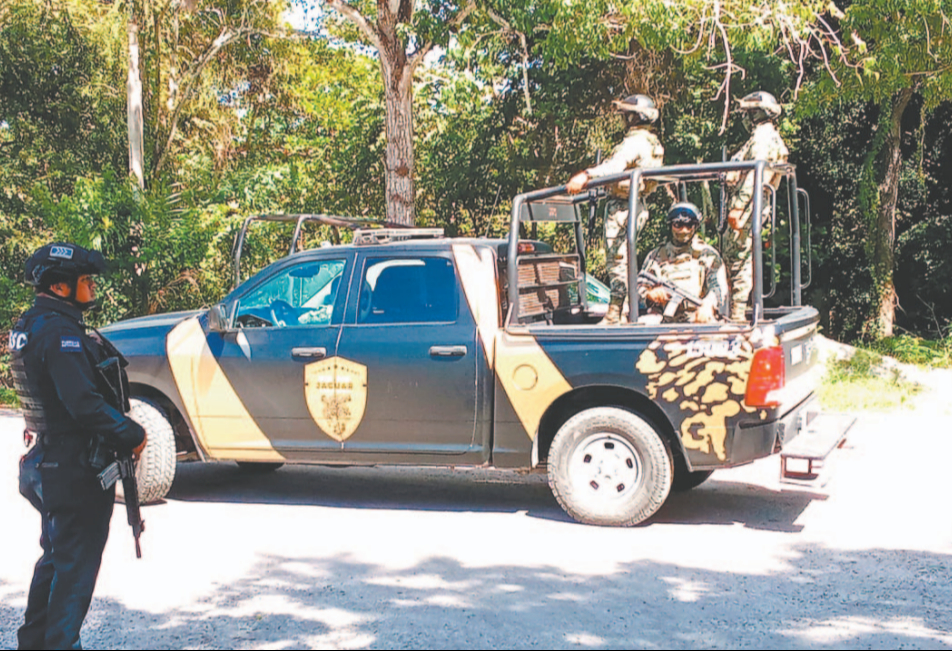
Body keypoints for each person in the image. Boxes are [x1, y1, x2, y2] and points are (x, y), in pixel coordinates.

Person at [10, 242, 146, 650]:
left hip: (48, 462)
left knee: (55, 561)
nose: (90, 287)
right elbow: (83, 404)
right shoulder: (59, 333)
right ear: (61, 287)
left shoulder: (30, 325)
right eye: (84, 280)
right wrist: (131, 434)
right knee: (74, 574)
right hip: (71, 467)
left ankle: (34, 643)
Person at [566, 94, 665, 325]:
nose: (624, 119)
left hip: (623, 208)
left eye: (626, 115)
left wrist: (587, 175)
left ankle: (615, 315)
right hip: (637, 205)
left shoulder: (635, 142)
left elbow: (614, 167)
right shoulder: (653, 143)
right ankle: (623, 311)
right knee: (625, 260)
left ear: (634, 117)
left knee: (617, 261)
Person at [724, 91, 790, 322]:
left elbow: (755, 175)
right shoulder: (766, 138)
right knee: (737, 258)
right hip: (755, 204)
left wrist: (738, 208)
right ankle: (735, 313)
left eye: (748, 112)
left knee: (739, 261)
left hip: (750, 205)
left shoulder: (762, 140)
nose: (745, 117)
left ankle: (737, 316)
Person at [637, 203, 728, 324]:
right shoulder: (656, 256)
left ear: (695, 226)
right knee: (643, 324)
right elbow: (638, 289)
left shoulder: (707, 255)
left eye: (689, 225)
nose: (683, 230)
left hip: (697, 317)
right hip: (662, 319)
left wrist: (708, 305)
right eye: (678, 225)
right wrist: (649, 295)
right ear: (671, 225)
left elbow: (718, 288)